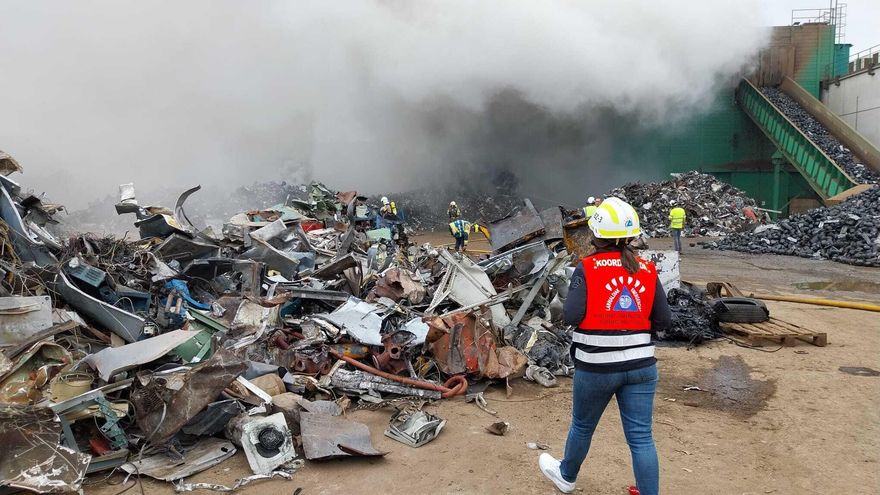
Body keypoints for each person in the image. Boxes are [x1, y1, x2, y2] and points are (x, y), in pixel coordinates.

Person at [538, 197, 671, 495]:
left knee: (583, 427)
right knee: (641, 438)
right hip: (642, 368)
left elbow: (571, 316)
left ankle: (566, 476)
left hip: (596, 368)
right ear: (630, 235)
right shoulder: (647, 269)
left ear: (595, 235)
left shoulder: (587, 268)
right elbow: (664, 320)